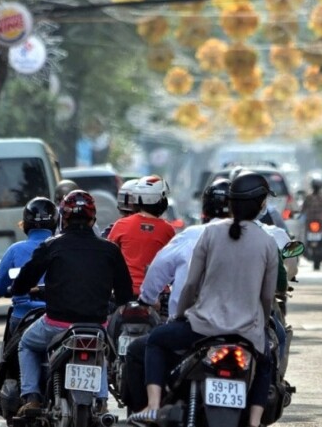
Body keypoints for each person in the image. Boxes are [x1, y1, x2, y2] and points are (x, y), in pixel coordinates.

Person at [128, 171, 279, 427]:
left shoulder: (209, 233)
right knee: (266, 362)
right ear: (262, 205)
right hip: (247, 333)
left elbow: (191, 285)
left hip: (201, 328)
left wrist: (180, 315)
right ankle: (254, 422)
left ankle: (153, 405)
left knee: (155, 340)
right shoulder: (267, 242)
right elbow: (267, 296)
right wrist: (260, 324)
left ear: (230, 204)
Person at [13, 190, 133, 416]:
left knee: (26, 344)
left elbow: (25, 279)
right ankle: (102, 401)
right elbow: (125, 295)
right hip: (97, 327)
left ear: (63, 218)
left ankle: (33, 398)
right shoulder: (110, 249)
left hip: (55, 325)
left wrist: (18, 288)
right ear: (93, 220)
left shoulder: (52, 245)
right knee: (100, 348)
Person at [123, 178, 233, 412]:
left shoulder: (193, 236)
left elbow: (158, 270)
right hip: (241, 328)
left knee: (147, 345)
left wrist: (147, 298)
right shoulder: (255, 237)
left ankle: (151, 407)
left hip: (194, 327)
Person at [0, 197, 58, 334]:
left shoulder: (15, 250)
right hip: (59, 315)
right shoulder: (62, 247)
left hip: (24, 315)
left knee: (20, 349)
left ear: (25, 224)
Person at [107, 175, 176, 296]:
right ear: (160, 201)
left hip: (125, 293)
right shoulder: (167, 229)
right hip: (157, 294)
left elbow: (107, 257)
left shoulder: (120, 225)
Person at [300, 175, 322, 257]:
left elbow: (303, 209)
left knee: (302, 233)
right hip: (321, 221)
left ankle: (301, 251)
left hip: (309, 221)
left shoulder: (308, 197)